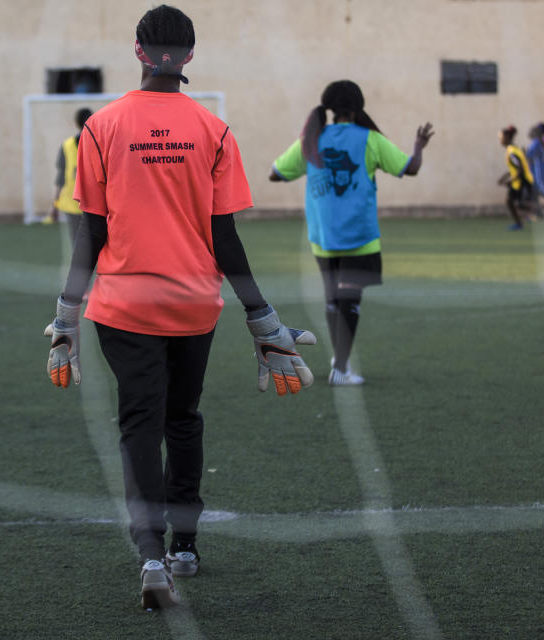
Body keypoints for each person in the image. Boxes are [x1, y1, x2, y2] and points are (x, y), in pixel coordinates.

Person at [43, 4, 316, 610]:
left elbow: (89, 233)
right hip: (194, 304)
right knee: (183, 418)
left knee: (139, 424)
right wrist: (261, 317)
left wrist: (66, 314)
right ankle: (186, 548)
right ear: (189, 55)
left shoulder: (100, 128)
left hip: (122, 306)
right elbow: (225, 238)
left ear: (139, 51)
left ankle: (149, 554)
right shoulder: (214, 130)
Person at [269, 80, 433, 385]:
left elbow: (275, 173)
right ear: (358, 108)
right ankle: (341, 369)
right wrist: (418, 148)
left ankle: (338, 362)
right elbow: (409, 169)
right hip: (360, 237)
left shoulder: (312, 139)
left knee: (333, 301)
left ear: (329, 108)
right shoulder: (369, 139)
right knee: (350, 302)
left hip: (323, 238)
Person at [47, 107, 93, 244]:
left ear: (76, 123)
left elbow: (61, 178)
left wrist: (55, 205)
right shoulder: (100, 143)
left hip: (75, 202)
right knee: (93, 243)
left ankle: (81, 265)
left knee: (78, 243)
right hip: (91, 204)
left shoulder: (66, 146)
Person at [496, 125, 535, 231]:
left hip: (523, 181)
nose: (499, 140)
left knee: (514, 203)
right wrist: (504, 177)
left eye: (501, 137)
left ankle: (535, 213)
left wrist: (510, 181)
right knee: (512, 202)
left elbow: (520, 169)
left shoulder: (512, 151)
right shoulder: (512, 149)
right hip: (519, 180)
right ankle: (520, 222)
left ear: (507, 137)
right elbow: (514, 168)